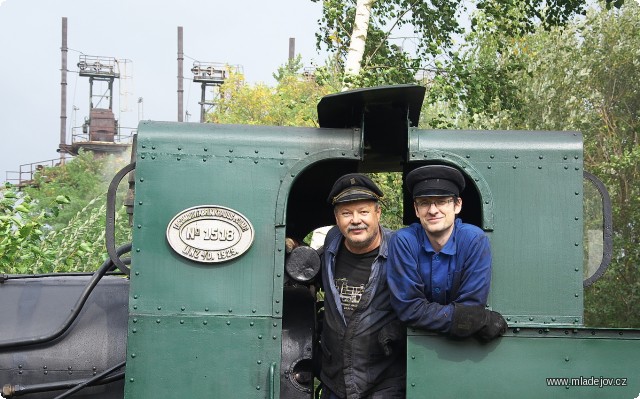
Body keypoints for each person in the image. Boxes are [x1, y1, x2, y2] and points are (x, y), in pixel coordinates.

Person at [387, 165, 507, 341]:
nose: (433, 210)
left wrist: (465, 317)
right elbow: (409, 308)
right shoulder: (404, 241)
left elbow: (471, 307)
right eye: (424, 203)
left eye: (442, 201)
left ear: (457, 205)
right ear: (416, 209)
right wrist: (465, 319)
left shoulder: (474, 240)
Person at [319, 173, 405, 399]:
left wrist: (399, 329)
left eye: (364, 212)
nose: (355, 220)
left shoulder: (401, 250)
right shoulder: (330, 245)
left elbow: (425, 298)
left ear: (378, 213)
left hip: (384, 383)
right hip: (335, 380)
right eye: (346, 213)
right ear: (336, 218)